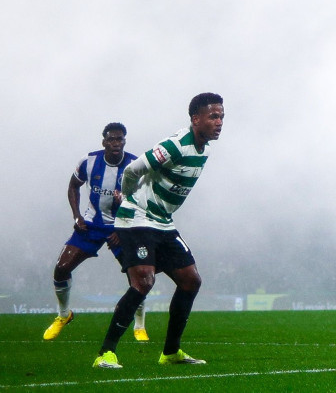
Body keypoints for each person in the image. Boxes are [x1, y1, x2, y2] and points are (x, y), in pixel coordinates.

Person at [92, 93, 225, 370]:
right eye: (213, 116)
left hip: (162, 222)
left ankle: (171, 352)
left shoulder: (205, 150)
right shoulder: (175, 146)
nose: (219, 122)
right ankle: (105, 354)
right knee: (143, 282)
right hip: (137, 218)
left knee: (191, 281)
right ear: (195, 119)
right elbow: (131, 170)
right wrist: (128, 200)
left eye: (221, 116)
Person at [44, 123, 149, 344]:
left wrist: (123, 227)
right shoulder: (88, 161)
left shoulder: (134, 165)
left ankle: (139, 326)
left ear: (124, 141)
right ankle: (64, 315)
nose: (115, 143)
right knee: (61, 268)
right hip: (91, 224)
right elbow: (73, 186)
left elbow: (143, 201)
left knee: (139, 277)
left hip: (123, 226)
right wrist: (76, 217)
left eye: (119, 139)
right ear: (104, 142)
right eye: (111, 139)